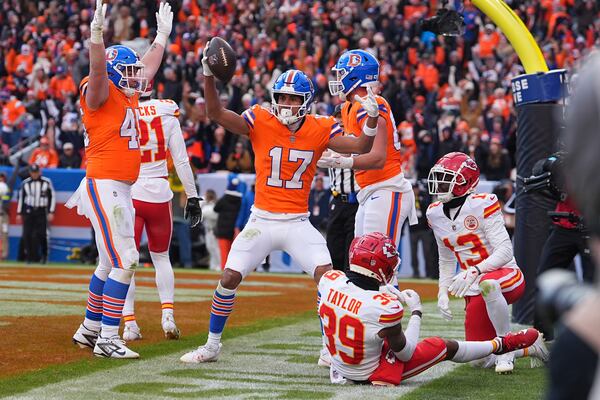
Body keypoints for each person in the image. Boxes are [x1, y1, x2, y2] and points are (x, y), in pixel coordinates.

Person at [180, 43, 381, 364]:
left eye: (293, 99)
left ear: (305, 102)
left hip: (297, 222)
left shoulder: (319, 127)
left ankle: (329, 348)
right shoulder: (260, 118)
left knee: (329, 278)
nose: (286, 104)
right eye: (282, 97)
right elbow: (215, 113)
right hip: (261, 220)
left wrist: (371, 120)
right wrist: (208, 76)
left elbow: (360, 144)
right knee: (229, 277)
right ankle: (212, 345)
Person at [68, 0, 173, 359]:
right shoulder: (98, 91)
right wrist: (96, 40)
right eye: (126, 71)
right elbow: (99, 76)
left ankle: (90, 328)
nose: (136, 77)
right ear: (113, 73)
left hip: (117, 186)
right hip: (105, 184)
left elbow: (147, 68)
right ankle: (109, 337)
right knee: (127, 259)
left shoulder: (125, 94)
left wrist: (161, 37)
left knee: (107, 261)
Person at [319, 232, 548, 386]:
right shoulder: (384, 307)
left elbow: (354, 302)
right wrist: (416, 312)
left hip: (342, 363)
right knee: (440, 346)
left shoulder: (330, 280)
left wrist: (376, 294)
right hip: (369, 372)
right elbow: (406, 353)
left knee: (375, 331)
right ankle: (501, 344)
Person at [426, 152, 526, 373]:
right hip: (475, 285)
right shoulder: (434, 213)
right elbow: (446, 257)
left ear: (465, 182)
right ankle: (528, 345)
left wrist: (475, 270)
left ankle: (507, 352)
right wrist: (442, 290)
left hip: (506, 275)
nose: (440, 184)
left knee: (488, 284)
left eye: (446, 178)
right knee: (480, 359)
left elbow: (505, 251)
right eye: (439, 178)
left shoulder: (482, 203)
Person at [321, 49, 417, 277]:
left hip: (387, 188)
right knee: (360, 266)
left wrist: (340, 162)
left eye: (341, 73)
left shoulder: (371, 104)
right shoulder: (348, 107)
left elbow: (377, 158)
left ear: (355, 75)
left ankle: (400, 311)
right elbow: (351, 145)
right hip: (368, 192)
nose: (337, 79)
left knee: (379, 266)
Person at [120, 88, 203, 342]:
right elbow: (181, 160)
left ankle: (130, 324)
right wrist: (192, 195)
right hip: (158, 192)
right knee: (161, 258)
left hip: (130, 190)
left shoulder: (123, 109)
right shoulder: (167, 111)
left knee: (125, 261)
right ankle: (167, 315)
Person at [325, 104, 360, 271]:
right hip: (337, 200)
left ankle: (350, 290)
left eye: (342, 116)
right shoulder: (328, 138)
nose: (339, 120)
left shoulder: (355, 138)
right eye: (337, 116)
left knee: (351, 251)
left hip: (356, 201)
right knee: (333, 249)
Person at [17, 164, 55, 263]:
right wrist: (19, 213)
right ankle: (29, 257)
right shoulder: (25, 183)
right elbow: (22, 198)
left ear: (39, 172)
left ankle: (44, 256)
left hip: (41, 211)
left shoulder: (46, 182)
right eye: (32, 172)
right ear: (30, 173)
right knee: (27, 234)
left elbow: (52, 197)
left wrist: (51, 211)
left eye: (36, 172)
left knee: (42, 234)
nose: (34, 174)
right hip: (28, 211)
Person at [214, 174, 244, 270]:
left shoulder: (224, 199)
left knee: (224, 252)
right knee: (233, 253)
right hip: (234, 230)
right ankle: (233, 270)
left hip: (222, 229)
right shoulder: (240, 200)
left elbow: (216, 208)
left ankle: (224, 270)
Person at [409, 180, 438, 279]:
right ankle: (415, 272)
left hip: (424, 229)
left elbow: (428, 210)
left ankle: (428, 273)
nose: (414, 191)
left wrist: (420, 200)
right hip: (413, 229)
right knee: (413, 252)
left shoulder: (424, 197)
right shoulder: (409, 199)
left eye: (416, 189)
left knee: (427, 252)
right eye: (413, 189)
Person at [201, 189, 221, 271]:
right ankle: (213, 266)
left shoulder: (214, 205)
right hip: (208, 230)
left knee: (216, 249)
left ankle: (220, 265)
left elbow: (203, 213)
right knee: (210, 248)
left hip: (214, 230)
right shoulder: (205, 204)